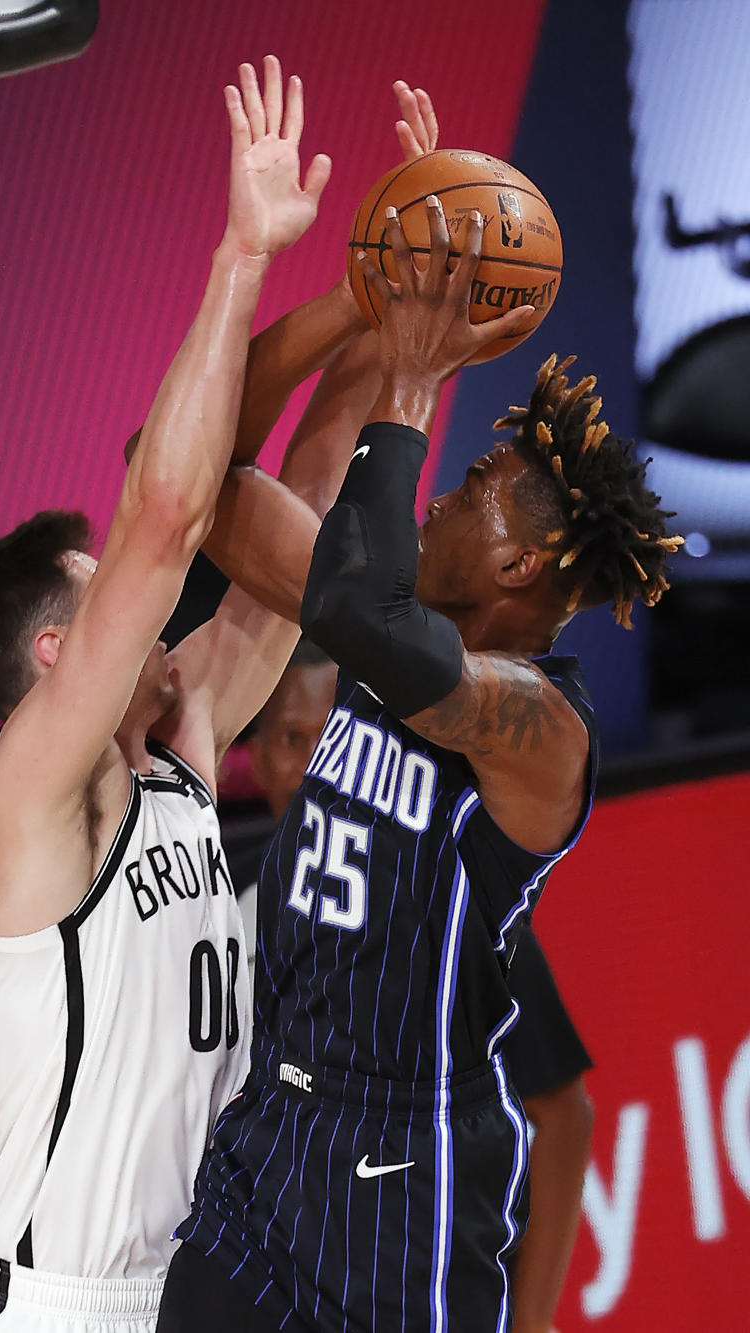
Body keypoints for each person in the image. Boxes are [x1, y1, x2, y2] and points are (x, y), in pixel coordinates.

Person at [157, 205, 681, 1331]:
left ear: (517, 560)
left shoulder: (541, 727)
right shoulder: (374, 616)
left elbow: (368, 608)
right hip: (264, 1139)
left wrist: (411, 381)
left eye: (468, 488)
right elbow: (185, 473)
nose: (435, 498)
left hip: (399, 1186)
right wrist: (357, 304)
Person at [0, 57, 334, 1333]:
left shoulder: (184, 740)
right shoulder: (32, 791)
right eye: (100, 587)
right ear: (60, 651)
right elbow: (167, 514)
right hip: (61, 1308)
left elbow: (304, 548)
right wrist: (243, 253)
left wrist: (398, 332)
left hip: (200, 1297)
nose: (139, 591)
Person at [243, 640, 593, 1333]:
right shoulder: (237, 898)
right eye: (290, 738)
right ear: (253, 758)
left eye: (328, 738)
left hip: (436, 1283)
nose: (314, 764)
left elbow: (562, 1112)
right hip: (295, 1282)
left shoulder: (446, 889)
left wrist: (530, 1321)